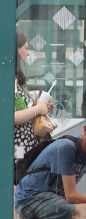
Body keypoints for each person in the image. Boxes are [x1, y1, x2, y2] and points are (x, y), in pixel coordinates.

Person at [14, 31, 51, 168]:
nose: (28, 53)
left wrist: (38, 105)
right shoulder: (10, 80)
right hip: (18, 153)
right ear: (17, 50)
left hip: (24, 151)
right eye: (26, 48)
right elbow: (12, 116)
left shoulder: (15, 79)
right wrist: (36, 110)